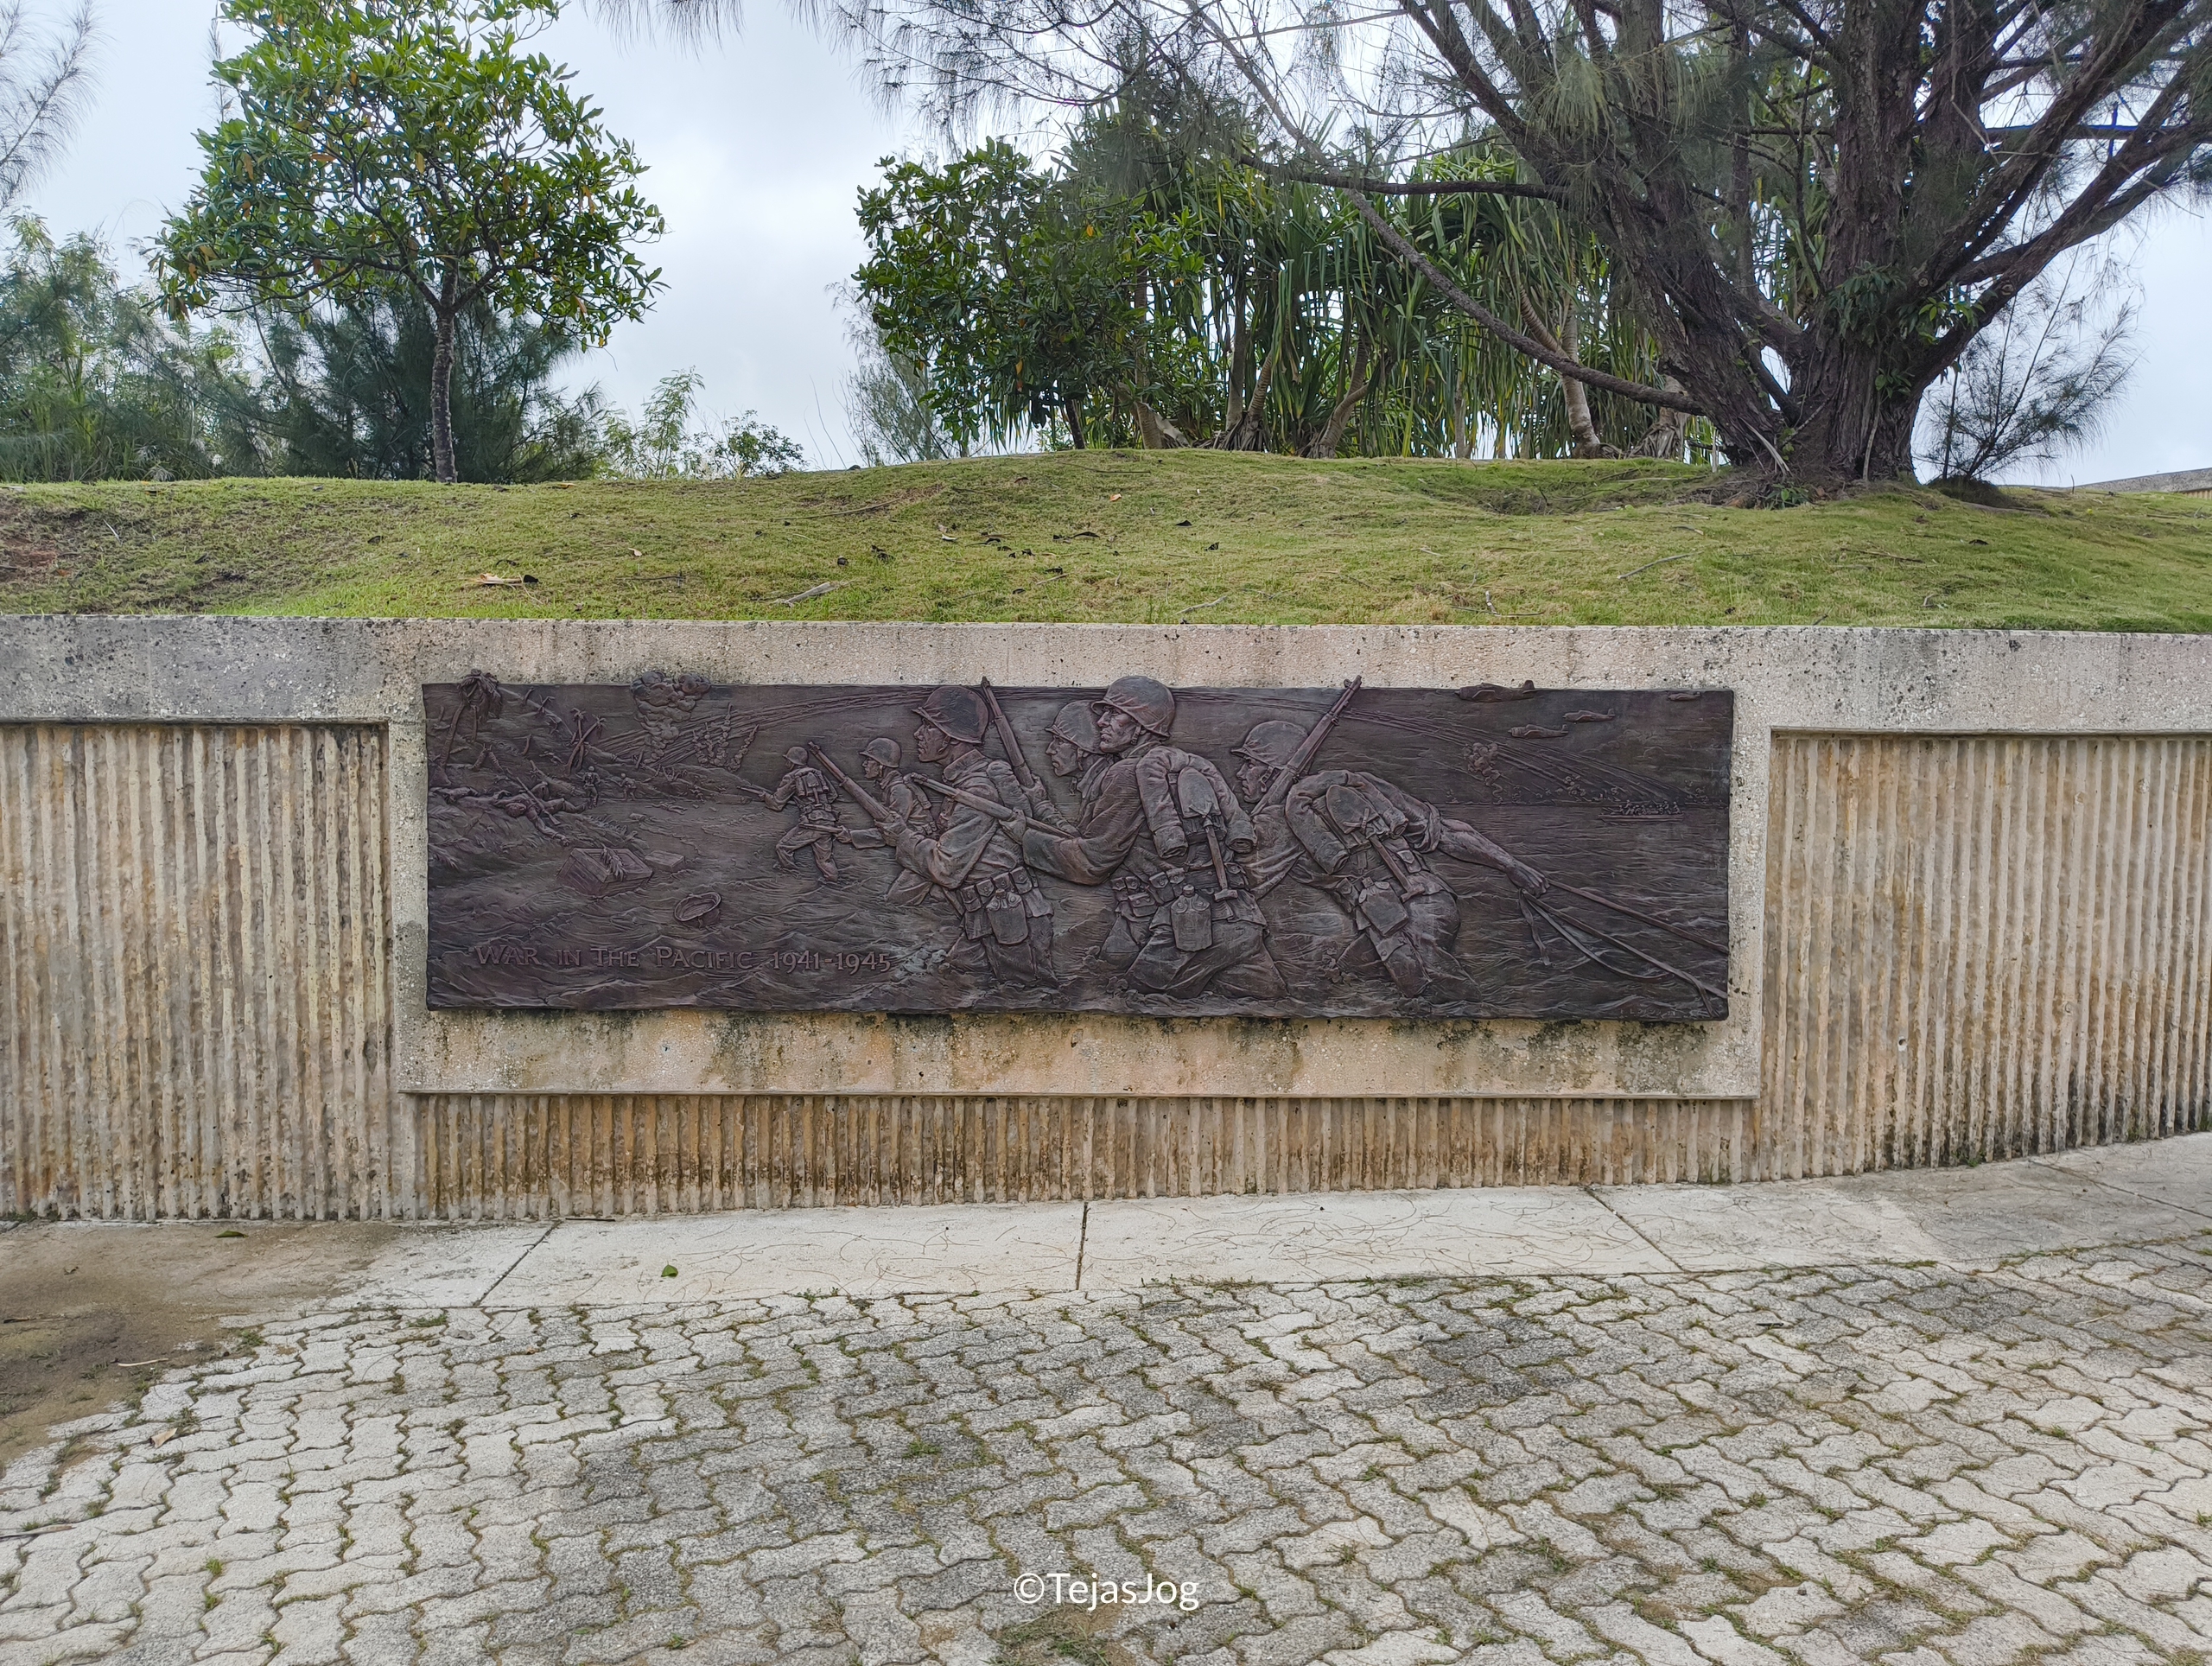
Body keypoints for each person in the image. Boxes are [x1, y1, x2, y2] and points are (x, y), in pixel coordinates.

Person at [1230, 720, 1549, 999]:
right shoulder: (1362, 785)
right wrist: (1511, 865)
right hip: (1428, 906)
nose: (1240, 773)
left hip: (1406, 922)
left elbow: (1238, 882)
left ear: (1271, 771)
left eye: (1249, 764)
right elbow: (1448, 834)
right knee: (1349, 978)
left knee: (1448, 995)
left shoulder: (1278, 822)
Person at [1020, 676, 1286, 1000]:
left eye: (1114, 714)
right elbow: (1090, 837)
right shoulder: (1168, 768)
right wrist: (1040, 807)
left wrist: (1024, 841)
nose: (1101, 721)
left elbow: (1091, 862)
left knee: (1118, 1001)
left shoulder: (1126, 774)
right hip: (1232, 919)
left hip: (1190, 930)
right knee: (1275, 1002)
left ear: (1141, 727)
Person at [887, 685, 1057, 988]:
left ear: (950, 738)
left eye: (928, 726)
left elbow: (946, 868)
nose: (918, 734)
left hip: (1008, 924)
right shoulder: (970, 779)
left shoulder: (976, 789)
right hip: (987, 917)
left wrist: (902, 837)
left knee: (1026, 994)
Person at [766, 745, 846, 881]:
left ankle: (791, 878)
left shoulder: (791, 777)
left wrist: (764, 797)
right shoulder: (817, 773)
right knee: (824, 861)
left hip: (811, 823)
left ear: (793, 762)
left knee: (783, 848)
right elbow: (832, 796)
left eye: (788, 760)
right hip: (828, 821)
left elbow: (776, 804)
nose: (786, 764)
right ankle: (834, 883)